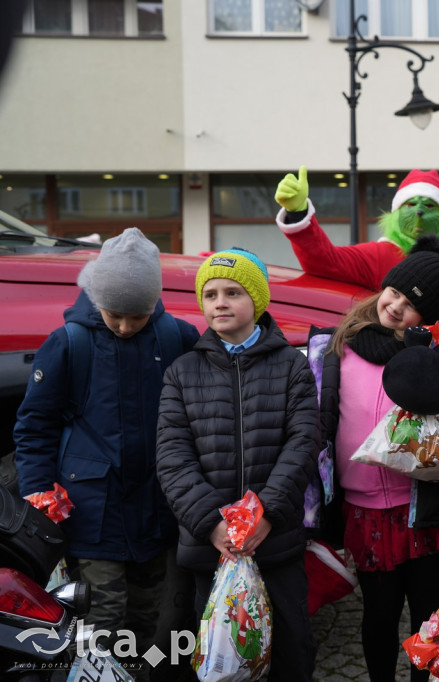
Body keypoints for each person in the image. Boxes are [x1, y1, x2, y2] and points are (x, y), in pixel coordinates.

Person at [14, 228, 199, 678]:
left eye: (137, 316)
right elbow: (35, 426)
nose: (125, 326)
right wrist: (37, 494)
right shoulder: (69, 343)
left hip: (155, 510)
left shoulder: (177, 337)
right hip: (91, 512)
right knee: (102, 618)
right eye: (115, 315)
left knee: (147, 617)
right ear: (97, 298)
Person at [324, 235, 439, 682]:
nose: (396, 306)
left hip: (422, 508)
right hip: (364, 509)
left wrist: (426, 358)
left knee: (427, 614)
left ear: (429, 317)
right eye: (394, 293)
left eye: (411, 304)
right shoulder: (343, 347)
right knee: (379, 613)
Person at [156, 247, 319, 682]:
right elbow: (172, 456)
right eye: (210, 295)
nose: (220, 303)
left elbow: (303, 442)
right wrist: (212, 524)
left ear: (257, 300)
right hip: (209, 548)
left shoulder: (291, 366)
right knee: (219, 659)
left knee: (291, 651)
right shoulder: (181, 372)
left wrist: (266, 514)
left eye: (233, 292)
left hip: (275, 541)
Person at [274, 167, 439, 360]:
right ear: (396, 212)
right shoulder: (382, 253)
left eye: (429, 205)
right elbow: (325, 261)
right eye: (410, 204)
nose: (419, 212)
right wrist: (298, 213)